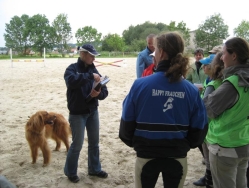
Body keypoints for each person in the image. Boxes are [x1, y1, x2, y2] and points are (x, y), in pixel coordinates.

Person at [119, 31, 208, 188]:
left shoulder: (140, 85)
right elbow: (199, 128)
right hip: (178, 155)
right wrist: (184, 145)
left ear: (161, 52)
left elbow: (126, 126)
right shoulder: (191, 90)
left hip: (146, 153)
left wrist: (139, 144)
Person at [203, 37, 249, 188]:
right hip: (244, 142)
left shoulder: (233, 83)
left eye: (223, 53)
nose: (222, 58)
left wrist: (208, 90)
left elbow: (209, 110)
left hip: (225, 147)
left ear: (234, 55)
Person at [64, 44, 109, 183]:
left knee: (94, 143)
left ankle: (94, 169)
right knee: (77, 144)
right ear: (82, 54)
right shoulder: (71, 69)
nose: (94, 58)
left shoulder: (94, 69)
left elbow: (105, 91)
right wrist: (90, 76)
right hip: (77, 114)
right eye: (91, 55)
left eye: (94, 55)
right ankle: (70, 171)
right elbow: (71, 81)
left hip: (92, 112)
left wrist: (98, 93)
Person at [193, 52, 224, 187]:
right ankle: (208, 178)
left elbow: (205, 106)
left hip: (209, 126)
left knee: (209, 157)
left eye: (206, 65)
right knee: (208, 158)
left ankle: (209, 181)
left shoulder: (213, 84)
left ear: (213, 67)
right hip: (211, 126)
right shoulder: (212, 81)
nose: (203, 67)